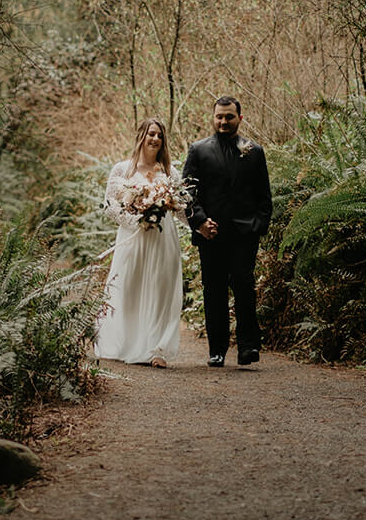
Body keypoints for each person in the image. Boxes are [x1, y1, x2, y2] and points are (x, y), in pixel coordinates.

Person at [182, 96, 272, 368]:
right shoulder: (198, 150)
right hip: (211, 233)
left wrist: (258, 227)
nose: (223, 121)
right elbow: (187, 193)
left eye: (229, 117)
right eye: (219, 116)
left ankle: (248, 347)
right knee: (214, 290)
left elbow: (264, 197)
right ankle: (217, 349)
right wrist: (200, 222)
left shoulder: (254, 151)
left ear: (239, 118)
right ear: (213, 117)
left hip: (245, 233)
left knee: (244, 286)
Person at [95, 116, 187, 367]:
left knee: (161, 290)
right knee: (129, 289)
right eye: (151, 134)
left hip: (163, 239)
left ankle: (157, 349)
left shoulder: (171, 172)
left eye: (159, 135)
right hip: (133, 237)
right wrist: (135, 220)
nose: (155, 139)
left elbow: (180, 209)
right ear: (141, 136)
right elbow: (109, 206)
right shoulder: (123, 170)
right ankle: (130, 342)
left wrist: (201, 227)